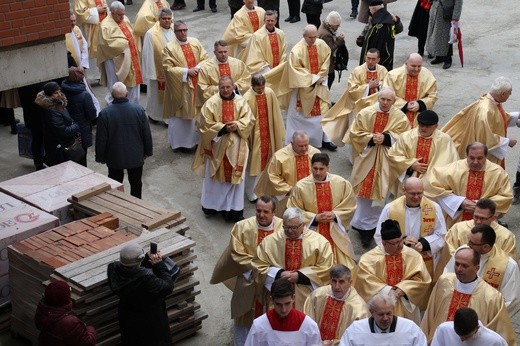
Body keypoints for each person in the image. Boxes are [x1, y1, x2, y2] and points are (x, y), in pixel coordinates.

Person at [210, 196, 283, 346]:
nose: (261, 215)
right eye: (258, 211)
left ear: (274, 212)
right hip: (248, 279)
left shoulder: (282, 228)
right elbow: (236, 254)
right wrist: (260, 268)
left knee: (269, 319)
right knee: (244, 318)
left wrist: (270, 273)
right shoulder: (242, 226)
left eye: (265, 212)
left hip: (271, 283)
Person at [346, 87, 410, 247]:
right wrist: (371, 138)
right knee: (362, 193)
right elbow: (355, 133)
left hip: (387, 162)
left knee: (382, 193)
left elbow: (405, 138)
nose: (385, 103)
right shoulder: (366, 113)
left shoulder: (400, 117)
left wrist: (388, 138)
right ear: (378, 98)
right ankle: (361, 226)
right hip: (367, 159)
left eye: (389, 100)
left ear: (394, 101)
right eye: (382, 99)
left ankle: (374, 225)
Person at [420, 248, 515, 345]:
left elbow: (499, 331)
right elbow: (431, 313)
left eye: (465, 266)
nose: (459, 269)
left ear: (477, 268)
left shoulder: (491, 296)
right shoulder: (444, 281)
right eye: (457, 264)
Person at [192, 77, 255, 222]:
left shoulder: (241, 102)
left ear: (233, 86)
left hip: (237, 147)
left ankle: (233, 211)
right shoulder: (212, 102)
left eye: (228, 87)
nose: (225, 90)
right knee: (214, 180)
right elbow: (204, 123)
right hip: (217, 146)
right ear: (218, 88)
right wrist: (223, 128)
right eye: (222, 87)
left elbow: (249, 119)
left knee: (235, 178)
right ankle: (212, 207)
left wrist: (238, 125)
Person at [252, 207, 333, 310]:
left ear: (303, 225)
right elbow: (257, 265)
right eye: (286, 227)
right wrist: (278, 274)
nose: (289, 231)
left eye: (293, 227)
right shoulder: (270, 241)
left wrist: (300, 276)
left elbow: (326, 268)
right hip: (278, 297)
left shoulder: (319, 242)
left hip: (306, 297)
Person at [353, 219, 431, 324]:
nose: (400, 245)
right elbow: (365, 282)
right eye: (394, 243)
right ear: (384, 243)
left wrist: (403, 289)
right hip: (380, 308)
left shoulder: (413, 255)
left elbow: (422, 279)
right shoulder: (368, 259)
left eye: (400, 240)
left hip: (405, 305)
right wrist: (389, 291)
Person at [287, 153, 357, 269]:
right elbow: (293, 210)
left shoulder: (341, 183)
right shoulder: (301, 186)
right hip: (312, 231)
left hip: (334, 230)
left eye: (321, 169)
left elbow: (350, 204)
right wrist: (314, 218)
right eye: (315, 168)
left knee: (346, 267)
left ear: (328, 168)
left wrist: (335, 215)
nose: (318, 172)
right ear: (311, 167)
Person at [375, 177, 446, 281]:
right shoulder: (390, 208)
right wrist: (400, 242)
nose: (416, 197)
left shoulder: (434, 208)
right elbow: (379, 236)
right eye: (412, 193)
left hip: (424, 258)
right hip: (398, 257)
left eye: (419, 193)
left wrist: (425, 244)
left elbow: (442, 234)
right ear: (404, 191)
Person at [427, 142, 513, 227]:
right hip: (457, 222)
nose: (475, 162)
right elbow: (433, 185)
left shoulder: (497, 172)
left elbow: (505, 197)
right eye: (471, 158)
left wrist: (480, 205)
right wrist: (459, 202)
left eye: (479, 158)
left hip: (485, 222)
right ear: (466, 155)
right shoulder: (454, 169)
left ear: (486, 157)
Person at [442, 77, 520, 168]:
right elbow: (485, 137)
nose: (510, 94)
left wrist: (517, 115)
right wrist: (507, 142)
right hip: (484, 155)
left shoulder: (491, 101)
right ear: (502, 94)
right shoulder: (485, 110)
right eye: (509, 92)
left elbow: (498, 119)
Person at [443, 225, 520, 316]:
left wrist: (486, 318)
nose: (467, 245)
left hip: (484, 320)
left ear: (486, 247)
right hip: (454, 308)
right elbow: (447, 277)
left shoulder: (508, 266)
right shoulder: (463, 252)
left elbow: (511, 301)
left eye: (472, 243)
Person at [107, 242, 175, 346]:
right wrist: (159, 265)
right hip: (150, 320)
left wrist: (145, 261)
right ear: (140, 259)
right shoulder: (147, 280)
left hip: (128, 317)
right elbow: (168, 287)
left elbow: (132, 270)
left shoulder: (113, 269)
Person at [95, 82, 153, 199]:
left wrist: (100, 157)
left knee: (115, 186)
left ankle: (118, 206)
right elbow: (146, 133)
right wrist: (148, 151)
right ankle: (137, 207)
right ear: (127, 94)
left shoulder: (105, 114)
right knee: (136, 184)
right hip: (135, 154)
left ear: (112, 95)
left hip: (114, 156)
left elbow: (101, 139)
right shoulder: (139, 110)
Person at [282, 25, 335, 151]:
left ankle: (324, 139)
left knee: (324, 112)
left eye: (315, 37)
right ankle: (295, 140)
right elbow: (295, 70)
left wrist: (321, 75)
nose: (313, 40)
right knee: (298, 115)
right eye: (310, 37)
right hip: (303, 87)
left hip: (320, 85)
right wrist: (313, 79)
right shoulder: (297, 50)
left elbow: (326, 60)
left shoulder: (321, 44)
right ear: (304, 36)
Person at [322, 48, 388, 149]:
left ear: (378, 60)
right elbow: (352, 90)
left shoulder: (383, 70)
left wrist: (379, 84)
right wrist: (368, 87)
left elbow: (388, 87)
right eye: (368, 58)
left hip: (376, 107)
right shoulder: (358, 71)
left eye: (373, 59)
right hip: (359, 107)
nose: (370, 61)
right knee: (358, 132)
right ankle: (355, 155)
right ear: (365, 57)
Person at [162, 20, 208, 151]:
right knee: (181, 118)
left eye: (185, 30)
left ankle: (197, 141)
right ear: (175, 32)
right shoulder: (169, 48)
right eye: (179, 31)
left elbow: (205, 58)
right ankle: (181, 144)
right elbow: (167, 68)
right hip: (181, 87)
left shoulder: (195, 42)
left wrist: (198, 68)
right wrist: (186, 71)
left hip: (197, 83)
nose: (183, 33)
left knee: (197, 114)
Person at [438, 199, 518, 272]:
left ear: (493, 218)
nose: (478, 221)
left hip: (490, 275)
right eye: (476, 217)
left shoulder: (506, 236)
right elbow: (449, 255)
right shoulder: (458, 229)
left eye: (483, 218)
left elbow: (507, 264)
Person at [254, 130, 321, 217]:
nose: (304, 149)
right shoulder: (279, 157)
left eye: (306, 145)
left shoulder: (315, 153)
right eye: (300, 146)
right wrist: (289, 189)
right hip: (287, 196)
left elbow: (322, 172)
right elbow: (272, 177)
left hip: (310, 194)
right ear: (292, 143)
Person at [388, 110, 459, 188]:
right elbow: (393, 155)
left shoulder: (445, 140)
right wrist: (410, 164)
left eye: (427, 126)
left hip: (432, 184)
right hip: (408, 179)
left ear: (436, 126)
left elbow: (451, 163)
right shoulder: (406, 137)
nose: (423, 128)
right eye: (421, 125)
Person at [243, 75, 285, 202]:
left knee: (269, 163)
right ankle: (251, 192)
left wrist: (277, 131)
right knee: (254, 165)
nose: (261, 91)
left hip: (269, 132)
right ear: (252, 86)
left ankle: (266, 188)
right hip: (255, 137)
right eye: (258, 88)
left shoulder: (269, 92)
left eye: (263, 87)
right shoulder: (247, 98)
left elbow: (276, 113)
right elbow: (246, 121)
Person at [303, 265, 369, 344]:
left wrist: (331, 344)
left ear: (350, 283)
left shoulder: (359, 309)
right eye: (334, 281)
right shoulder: (317, 295)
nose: (337, 287)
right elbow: (307, 323)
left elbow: (359, 338)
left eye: (341, 282)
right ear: (330, 280)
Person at [245, 278, 322, 345]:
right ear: (272, 300)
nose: (283, 310)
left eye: (287, 303)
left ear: (293, 298)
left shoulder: (309, 326)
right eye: (278, 304)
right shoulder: (259, 325)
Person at [339, 292, 427, 345]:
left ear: (393, 310)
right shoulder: (356, 330)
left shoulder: (410, 328)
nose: (385, 318)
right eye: (381, 314)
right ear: (372, 312)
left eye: (388, 313)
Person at [97, 1, 142, 104]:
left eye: (123, 14)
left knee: (133, 82)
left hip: (130, 56)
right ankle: (115, 105)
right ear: (112, 12)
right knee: (116, 84)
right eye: (119, 15)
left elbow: (132, 33)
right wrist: (127, 43)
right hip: (114, 61)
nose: (122, 17)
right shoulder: (105, 25)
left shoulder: (124, 19)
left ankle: (133, 105)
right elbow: (107, 44)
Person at [382, 53, 438, 127]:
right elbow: (385, 95)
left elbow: (433, 95)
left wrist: (420, 104)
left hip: (419, 115)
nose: (416, 69)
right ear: (406, 64)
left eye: (419, 66)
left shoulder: (427, 75)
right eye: (413, 66)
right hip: (397, 114)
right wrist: (405, 105)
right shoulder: (393, 75)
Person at [35, 280, 97, 346]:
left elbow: (38, 326)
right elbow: (88, 343)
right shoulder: (70, 323)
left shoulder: (42, 310)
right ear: (65, 298)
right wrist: (91, 329)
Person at [35, 81, 81, 167]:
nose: (59, 94)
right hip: (58, 148)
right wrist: (75, 126)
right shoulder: (52, 111)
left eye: (59, 91)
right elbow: (62, 131)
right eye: (56, 93)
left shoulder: (58, 103)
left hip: (60, 145)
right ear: (49, 95)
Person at [141, 8, 175, 124]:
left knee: (170, 95)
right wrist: (152, 74)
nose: (167, 21)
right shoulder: (151, 34)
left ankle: (169, 117)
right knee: (156, 96)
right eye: (164, 19)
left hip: (173, 69)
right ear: (158, 19)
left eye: (169, 19)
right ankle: (154, 116)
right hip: (158, 71)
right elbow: (148, 54)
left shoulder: (174, 29)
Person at [65, 12, 101, 115]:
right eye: (70, 21)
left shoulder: (76, 29)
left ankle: (95, 114)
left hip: (80, 67)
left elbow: (84, 46)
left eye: (74, 20)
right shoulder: (64, 34)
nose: (73, 23)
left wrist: (83, 64)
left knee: (87, 91)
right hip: (73, 70)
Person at [61, 67, 97, 167]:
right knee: (81, 157)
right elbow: (92, 115)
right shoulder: (84, 95)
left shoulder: (61, 91)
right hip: (82, 130)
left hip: (67, 129)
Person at [359, 0, 402, 71]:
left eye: (370, 10)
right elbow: (398, 29)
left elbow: (373, 44)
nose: (370, 14)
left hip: (375, 62)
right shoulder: (387, 18)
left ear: (373, 9)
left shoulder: (379, 24)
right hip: (386, 57)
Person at [242, 10, 287, 76]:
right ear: (264, 21)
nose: (270, 23)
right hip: (264, 70)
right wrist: (269, 69)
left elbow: (284, 51)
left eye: (272, 21)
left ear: (276, 21)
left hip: (279, 67)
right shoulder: (257, 36)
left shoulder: (280, 33)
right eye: (268, 21)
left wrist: (280, 66)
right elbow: (255, 57)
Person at [431, 307, 508, 346]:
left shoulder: (495, 341)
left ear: (477, 328)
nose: (462, 340)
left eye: (467, 336)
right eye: (458, 335)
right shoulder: (444, 330)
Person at [73, 0, 108, 79]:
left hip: (102, 25)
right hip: (89, 29)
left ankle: (102, 75)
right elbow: (79, 14)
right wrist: (96, 10)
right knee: (88, 50)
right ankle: (92, 76)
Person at [425, 0, 463, 69]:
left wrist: (455, 17)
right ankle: (439, 56)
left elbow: (458, 3)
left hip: (446, 14)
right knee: (435, 35)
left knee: (446, 37)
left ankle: (448, 59)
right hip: (435, 11)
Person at [318, 11, 346, 89]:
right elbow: (330, 49)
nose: (338, 27)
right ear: (332, 25)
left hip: (325, 62)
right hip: (327, 64)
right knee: (329, 80)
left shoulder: (324, 27)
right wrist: (339, 40)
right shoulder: (326, 34)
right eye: (337, 26)